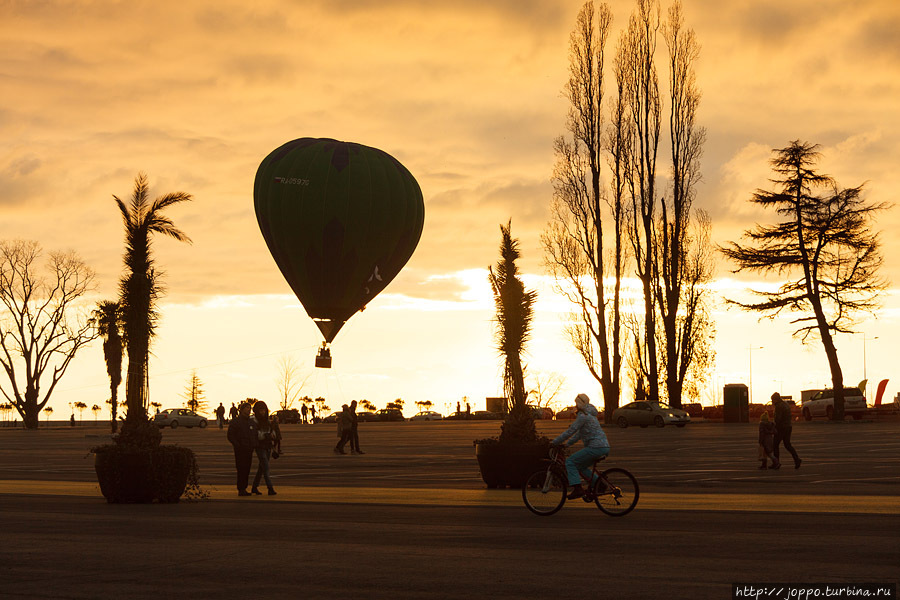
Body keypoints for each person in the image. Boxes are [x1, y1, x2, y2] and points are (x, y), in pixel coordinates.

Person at [551, 393, 610, 499]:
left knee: (570, 462)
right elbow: (578, 435)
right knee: (580, 466)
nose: (575, 406)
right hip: (603, 447)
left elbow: (571, 431)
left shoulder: (583, 417)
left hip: (595, 447)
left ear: (579, 404)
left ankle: (577, 489)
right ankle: (599, 484)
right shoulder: (591, 416)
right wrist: (567, 444)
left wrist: (555, 442)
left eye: (576, 403)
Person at [251, 401, 281, 496]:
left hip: (268, 446)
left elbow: (273, 434)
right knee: (266, 467)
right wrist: (265, 435)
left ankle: (254, 487)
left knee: (262, 468)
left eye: (264, 410)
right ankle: (270, 488)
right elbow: (257, 435)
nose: (262, 412)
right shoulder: (254, 421)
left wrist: (272, 435)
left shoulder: (267, 421)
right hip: (260, 447)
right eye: (260, 410)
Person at [227, 402, 257, 496]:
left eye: (249, 408)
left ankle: (244, 488)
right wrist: (237, 445)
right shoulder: (235, 422)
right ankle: (241, 488)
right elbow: (230, 435)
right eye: (247, 408)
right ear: (242, 409)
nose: (248, 410)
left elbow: (255, 435)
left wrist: (254, 444)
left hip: (249, 449)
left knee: (247, 469)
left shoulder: (251, 422)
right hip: (240, 450)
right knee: (241, 469)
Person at [772, 392, 801, 469]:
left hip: (781, 427)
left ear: (775, 399)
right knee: (787, 445)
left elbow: (778, 418)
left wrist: (773, 425)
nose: (772, 402)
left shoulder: (779, 406)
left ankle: (776, 462)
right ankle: (796, 459)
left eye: (773, 400)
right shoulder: (785, 404)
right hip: (788, 426)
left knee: (775, 445)